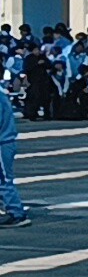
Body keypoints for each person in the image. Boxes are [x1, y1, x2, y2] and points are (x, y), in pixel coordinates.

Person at [0, 84, 25, 227]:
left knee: (4, 180)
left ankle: (16, 213)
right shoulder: (2, 94)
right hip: (6, 141)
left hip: (2, 143)